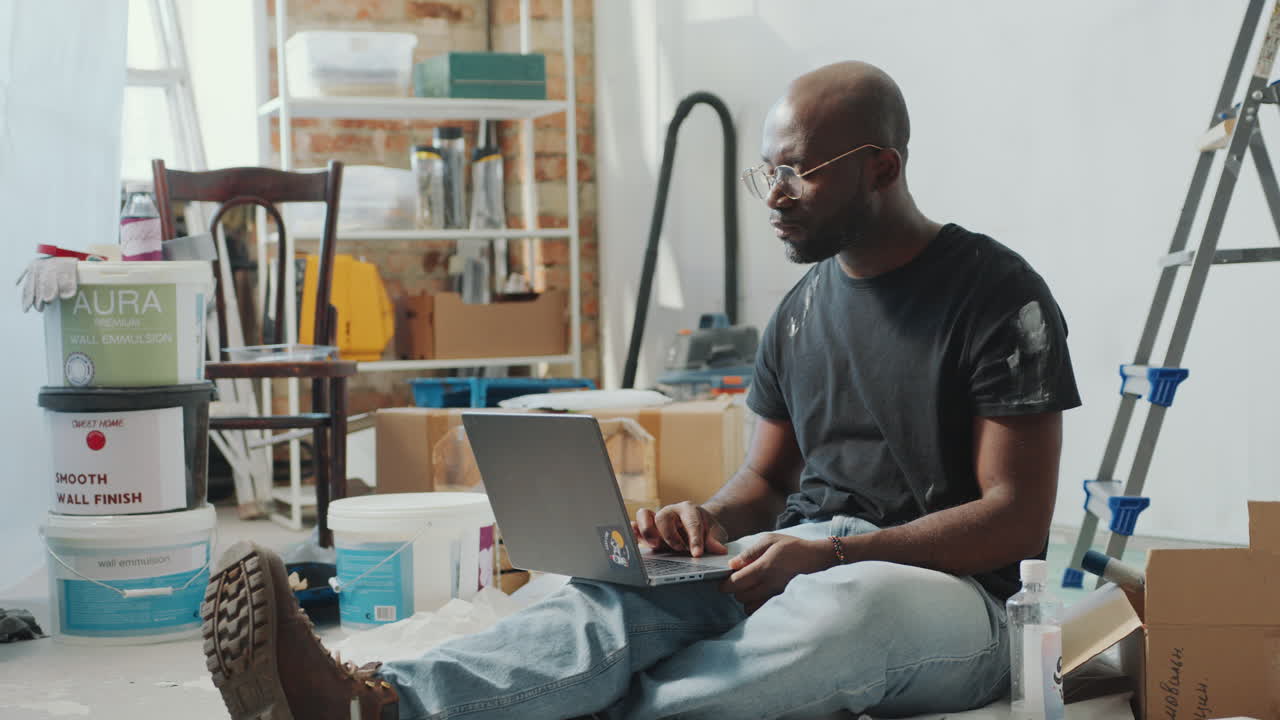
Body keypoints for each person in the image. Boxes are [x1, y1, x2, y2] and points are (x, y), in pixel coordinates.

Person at [201, 60, 1080, 720]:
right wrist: (705, 521)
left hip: (959, 601)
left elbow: (1015, 519)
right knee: (624, 590)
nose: (774, 195)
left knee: (846, 613)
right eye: (766, 170)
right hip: (802, 550)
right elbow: (766, 486)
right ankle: (376, 704)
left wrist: (837, 555)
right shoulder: (801, 312)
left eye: (798, 172)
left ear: (882, 167)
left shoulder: (998, 296)